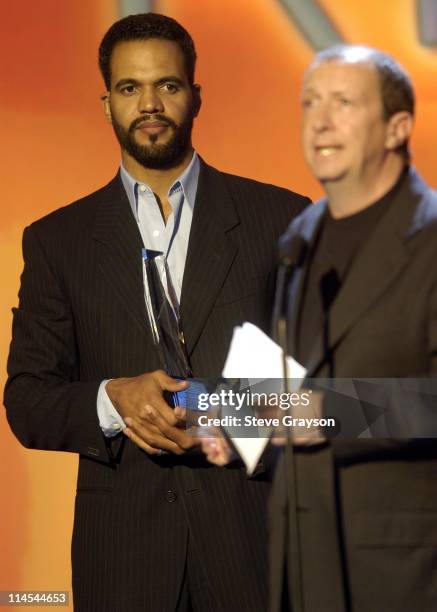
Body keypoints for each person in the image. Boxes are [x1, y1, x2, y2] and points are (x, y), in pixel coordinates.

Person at [4, 12, 309, 612]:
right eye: (129, 88)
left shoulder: (283, 220)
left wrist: (216, 408)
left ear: (195, 96)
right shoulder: (56, 240)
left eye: (167, 86)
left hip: (254, 553)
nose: (150, 104)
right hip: (123, 562)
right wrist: (112, 399)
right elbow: (27, 402)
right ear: (105, 103)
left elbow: (330, 400)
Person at [272, 44, 437, 611]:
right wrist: (240, 427)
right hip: (301, 561)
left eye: (343, 102)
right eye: (310, 102)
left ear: (398, 127)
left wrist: (334, 412)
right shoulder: (299, 235)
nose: (319, 120)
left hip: (400, 573)